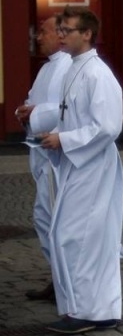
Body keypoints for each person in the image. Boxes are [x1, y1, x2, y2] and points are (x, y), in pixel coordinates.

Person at [36, 9, 123, 335]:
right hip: (77, 163)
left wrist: (65, 139)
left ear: (86, 34)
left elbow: (108, 127)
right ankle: (94, 309)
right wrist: (54, 136)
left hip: (94, 165)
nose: (61, 35)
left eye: (67, 30)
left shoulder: (98, 75)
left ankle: (88, 310)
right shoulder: (75, 69)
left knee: (78, 236)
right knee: (78, 236)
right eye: (59, 29)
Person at [14, 15, 69, 303]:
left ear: (61, 35)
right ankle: (58, 275)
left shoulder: (68, 67)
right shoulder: (47, 69)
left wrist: (34, 113)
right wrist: (25, 112)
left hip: (55, 155)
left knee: (56, 218)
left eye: (44, 32)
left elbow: (63, 109)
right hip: (40, 150)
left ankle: (67, 279)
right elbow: (33, 101)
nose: (38, 37)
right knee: (43, 217)